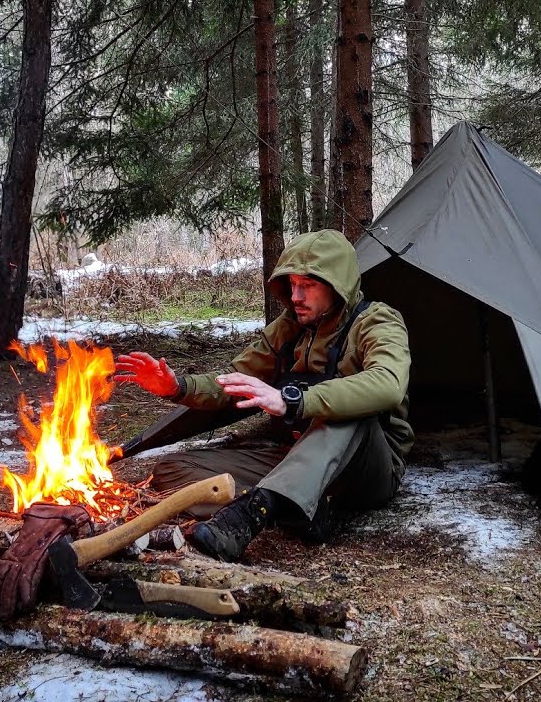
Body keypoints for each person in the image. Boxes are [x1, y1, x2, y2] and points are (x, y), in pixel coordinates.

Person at [113, 229, 413, 561]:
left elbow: (387, 383)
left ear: (337, 285)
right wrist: (177, 387)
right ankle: (291, 504)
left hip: (365, 469)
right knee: (173, 471)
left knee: (347, 414)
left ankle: (246, 518)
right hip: (297, 457)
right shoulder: (289, 329)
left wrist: (294, 400)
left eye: (308, 285)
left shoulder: (377, 322)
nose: (296, 296)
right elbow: (235, 381)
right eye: (293, 284)